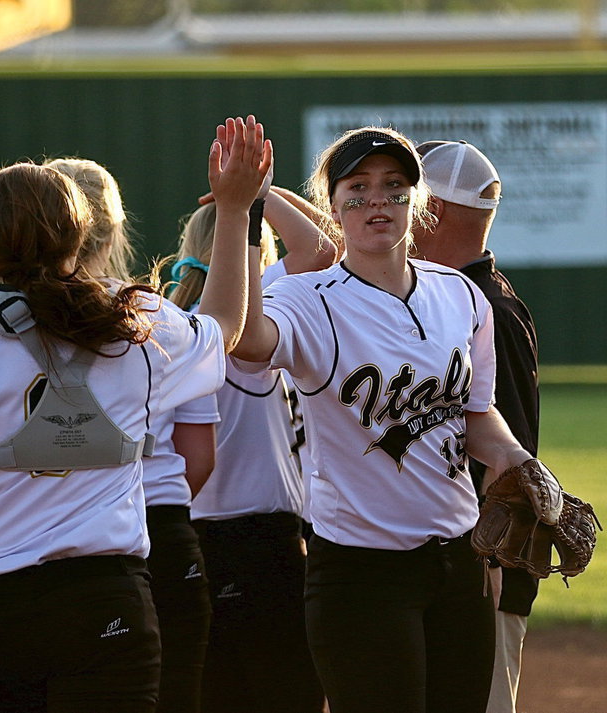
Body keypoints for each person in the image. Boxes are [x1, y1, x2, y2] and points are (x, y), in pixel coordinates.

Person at [0, 119, 271, 713]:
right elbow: (227, 328)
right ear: (79, 235)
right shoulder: (138, 329)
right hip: (109, 600)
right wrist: (237, 211)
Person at [226, 124, 536, 713]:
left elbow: (476, 413)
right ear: (333, 206)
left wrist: (512, 457)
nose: (378, 201)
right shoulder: (309, 299)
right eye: (358, 187)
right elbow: (245, 340)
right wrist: (246, 214)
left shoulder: (461, 296)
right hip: (361, 573)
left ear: (416, 204)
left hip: (458, 564)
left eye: (395, 187)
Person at [45, 156, 217, 713]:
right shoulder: (158, 318)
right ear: (116, 230)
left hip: (47, 538)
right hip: (158, 532)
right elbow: (198, 460)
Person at [168, 134, 332, 713]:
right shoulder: (241, 330)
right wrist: (258, 197)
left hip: (187, 535)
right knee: (284, 692)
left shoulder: (174, 328)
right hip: (259, 542)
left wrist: (244, 201)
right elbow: (323, 250)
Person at [412, 140, 540, 713]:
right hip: (451, 569)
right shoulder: (453, 297)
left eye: (405, 197)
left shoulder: (487, 307)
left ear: (431, 212)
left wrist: (488, 562)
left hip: (482, 571)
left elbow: (509, 457)